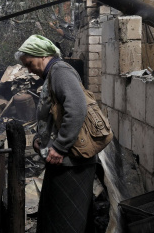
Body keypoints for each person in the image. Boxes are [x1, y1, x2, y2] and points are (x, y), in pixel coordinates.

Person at [14, 34, 96, 233]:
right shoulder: (52, 74)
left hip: (72, 162)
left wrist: (59, 147)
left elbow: (76, 109)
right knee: (56, 216)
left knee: (66, 221)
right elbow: (53, 115)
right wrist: (39, 139)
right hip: (63, 162)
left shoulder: (60, 71)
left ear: (42, 55)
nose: (30, 70)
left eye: (30, 63)